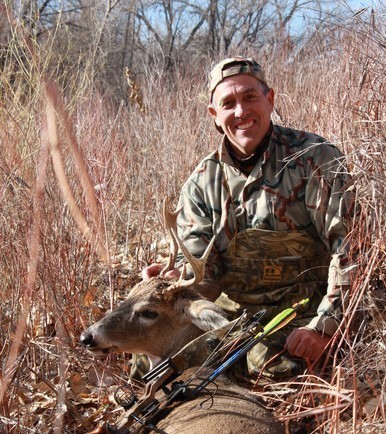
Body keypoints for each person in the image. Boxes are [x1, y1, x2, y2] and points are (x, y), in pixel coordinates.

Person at [144, 57, 354, 381]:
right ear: (215, 116)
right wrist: (170, 286)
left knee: (277, 368)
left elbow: (350, 248)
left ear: (269, 100)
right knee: (152, 363)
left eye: (250, 97)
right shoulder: (202, 183)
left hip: (302, 307)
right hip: (235, 310)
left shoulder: (315, 157)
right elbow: (206, 277)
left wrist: (325, 327)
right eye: (228, 103)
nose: (241, 112)